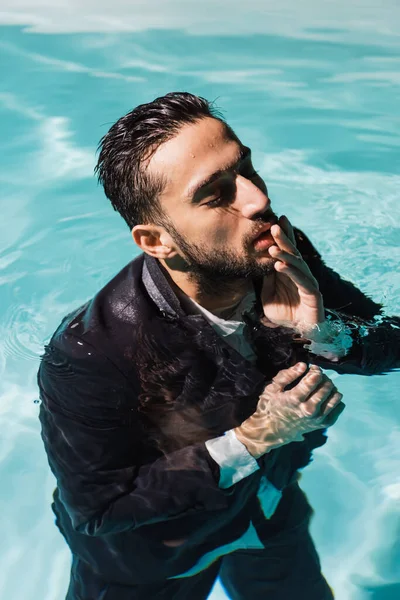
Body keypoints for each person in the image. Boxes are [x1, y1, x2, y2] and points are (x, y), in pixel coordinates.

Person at [38, 92, 400, 600]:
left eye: (245, 167)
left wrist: (323, 334)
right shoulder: (91, 354)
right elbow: (100, 508)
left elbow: (392, 344)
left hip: (269, 509)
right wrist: (253, 438)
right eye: (215, 194)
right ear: (156, 240)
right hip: (157, 560)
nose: (256, 200)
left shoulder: (274, 249)